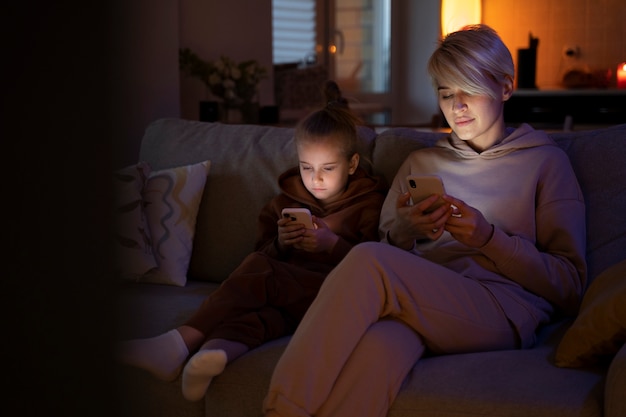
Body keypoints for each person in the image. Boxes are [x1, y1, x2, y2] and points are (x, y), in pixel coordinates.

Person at [262, 25, 587, 417]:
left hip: (503, 308)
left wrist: (488, 238)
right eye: (446, 93)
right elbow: (384, 257)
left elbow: (570, 286)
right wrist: (405, 231)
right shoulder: (421, 163)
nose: (457, 106)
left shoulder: (546, 163)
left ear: (505, 87)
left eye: (468, 89)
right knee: (377, 350)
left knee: (367, 260)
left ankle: (280, 409)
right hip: (419, 302)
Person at [116, 80, 387, 402]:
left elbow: (379, 267)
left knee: (262, 270)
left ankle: (180, 341)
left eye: (328, 168)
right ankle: (213, 355)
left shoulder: (369, 204)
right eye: (306, 167)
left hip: (333, 295)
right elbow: (259, 252)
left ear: (352, 164)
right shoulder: (283, 201)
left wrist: (333, 245)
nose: (315, 179)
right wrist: (282, 243)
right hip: (289, 302)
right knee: (260, 318)